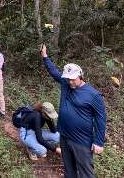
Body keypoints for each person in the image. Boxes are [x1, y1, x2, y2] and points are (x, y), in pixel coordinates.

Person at [40, 44, 106, 178]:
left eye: (72, 79)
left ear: (80, 76)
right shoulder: (65, 83)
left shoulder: (93, 95)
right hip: (64, 136)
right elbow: (53, 72)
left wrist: (99, 142)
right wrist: (45, 57)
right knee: (69, 170)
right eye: (68, 79)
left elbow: (100, 119)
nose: (70, 82)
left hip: (82, 141)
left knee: (85, 172)